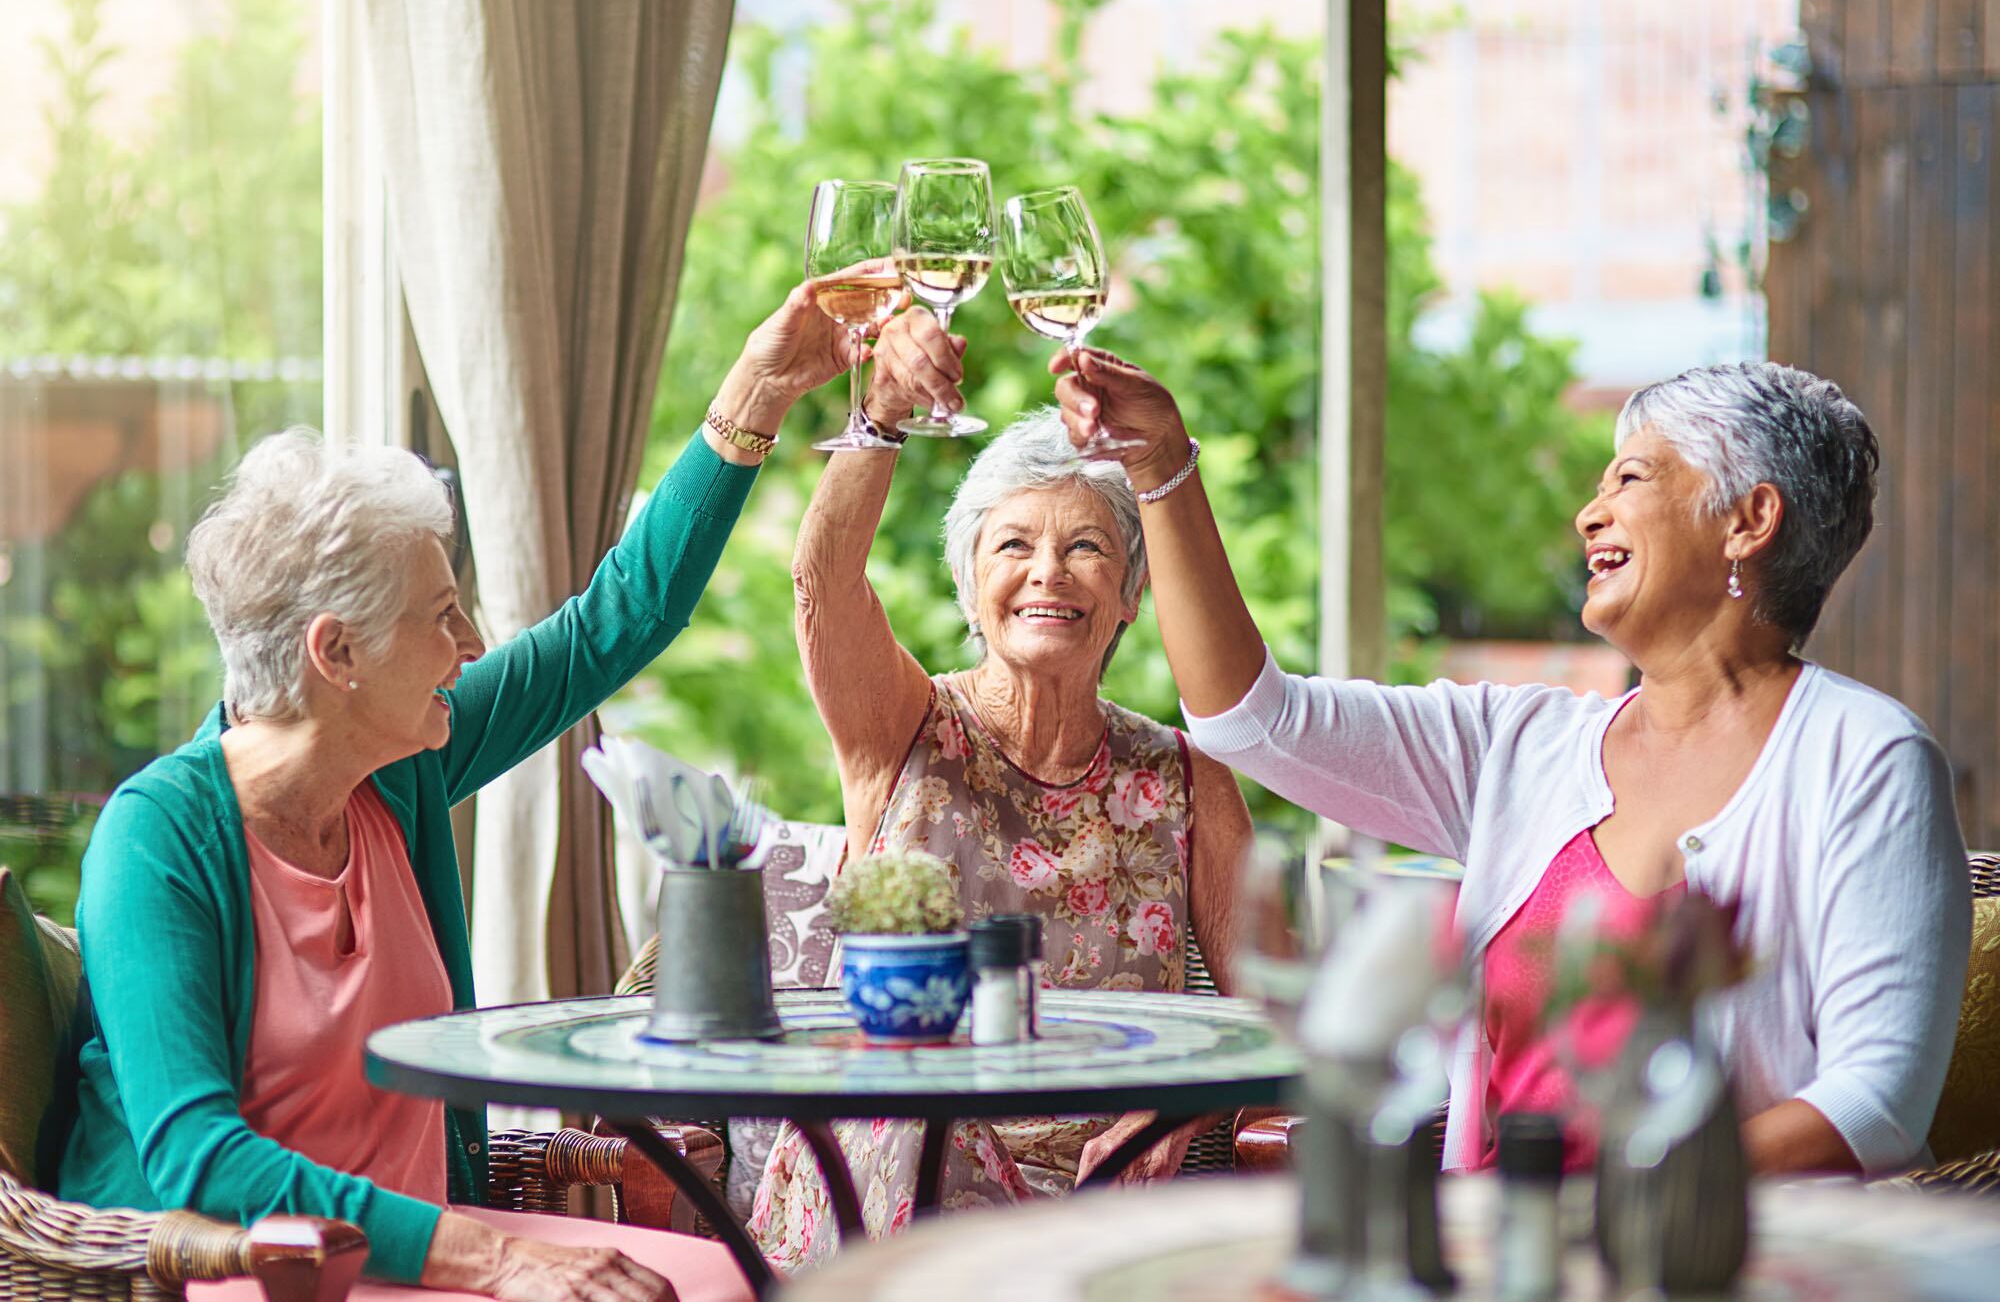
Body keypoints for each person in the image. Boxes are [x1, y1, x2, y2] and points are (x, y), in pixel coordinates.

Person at [56, 281, 869, 1300]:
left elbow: (614, 622)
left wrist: (759, 389)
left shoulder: (393, 767)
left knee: (724, 1277)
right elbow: (199, 1159)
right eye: (442, 615)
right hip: (248, 1265)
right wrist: (498, 1256)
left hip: (425, 1248)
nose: (472, 643)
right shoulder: (158, 840)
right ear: (337, 653)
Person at [1051, 350, 1971, 1176]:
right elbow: (1252, 720)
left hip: (1728, 1258)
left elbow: (1874, 1104)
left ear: (1749, 519)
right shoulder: (1521, 746)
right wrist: (1160, 466)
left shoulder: (1867, 758)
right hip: (1507, 1252)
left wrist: (1618, 1202)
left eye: (1631, 476)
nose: (1589, 512)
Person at [748, 309, 1252, 1271]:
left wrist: (1180, 1104)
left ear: (1131, 595)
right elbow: (822, 581)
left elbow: (1277, 1010)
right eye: (1012, 545)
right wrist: (882, 416)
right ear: (969, 584)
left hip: (1087, 1207)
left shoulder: (1187, 777)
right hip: (883, 1184)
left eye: (1087, 547)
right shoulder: (903, 723)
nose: (1047, 573)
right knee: (910, 1102)